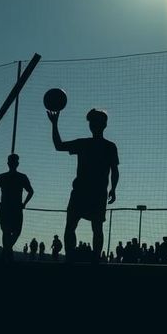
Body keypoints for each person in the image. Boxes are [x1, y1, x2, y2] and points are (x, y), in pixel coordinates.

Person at [49, 108, 119, 263]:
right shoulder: (102, 145)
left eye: (94, 121)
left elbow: (114, 170)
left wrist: (113, 188)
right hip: (87, 192)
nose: (93, 125)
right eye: (92, 122)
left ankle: (83, 258)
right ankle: (81, 258)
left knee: (86, 227)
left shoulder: (101, 146)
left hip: (89, 192)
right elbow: (59, 146)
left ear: (102, 125)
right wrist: (54, 124)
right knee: (85, 227)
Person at [0, 154, 34, 262]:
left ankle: (5, 254)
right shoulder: (22, 177)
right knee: (15, 232)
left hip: (5, 208)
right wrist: (24, 203)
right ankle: (7, 254)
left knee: (6, 232)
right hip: (15, 208)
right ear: (17, 164)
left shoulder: (2, 177)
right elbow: (31, 191)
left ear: (8, 163)